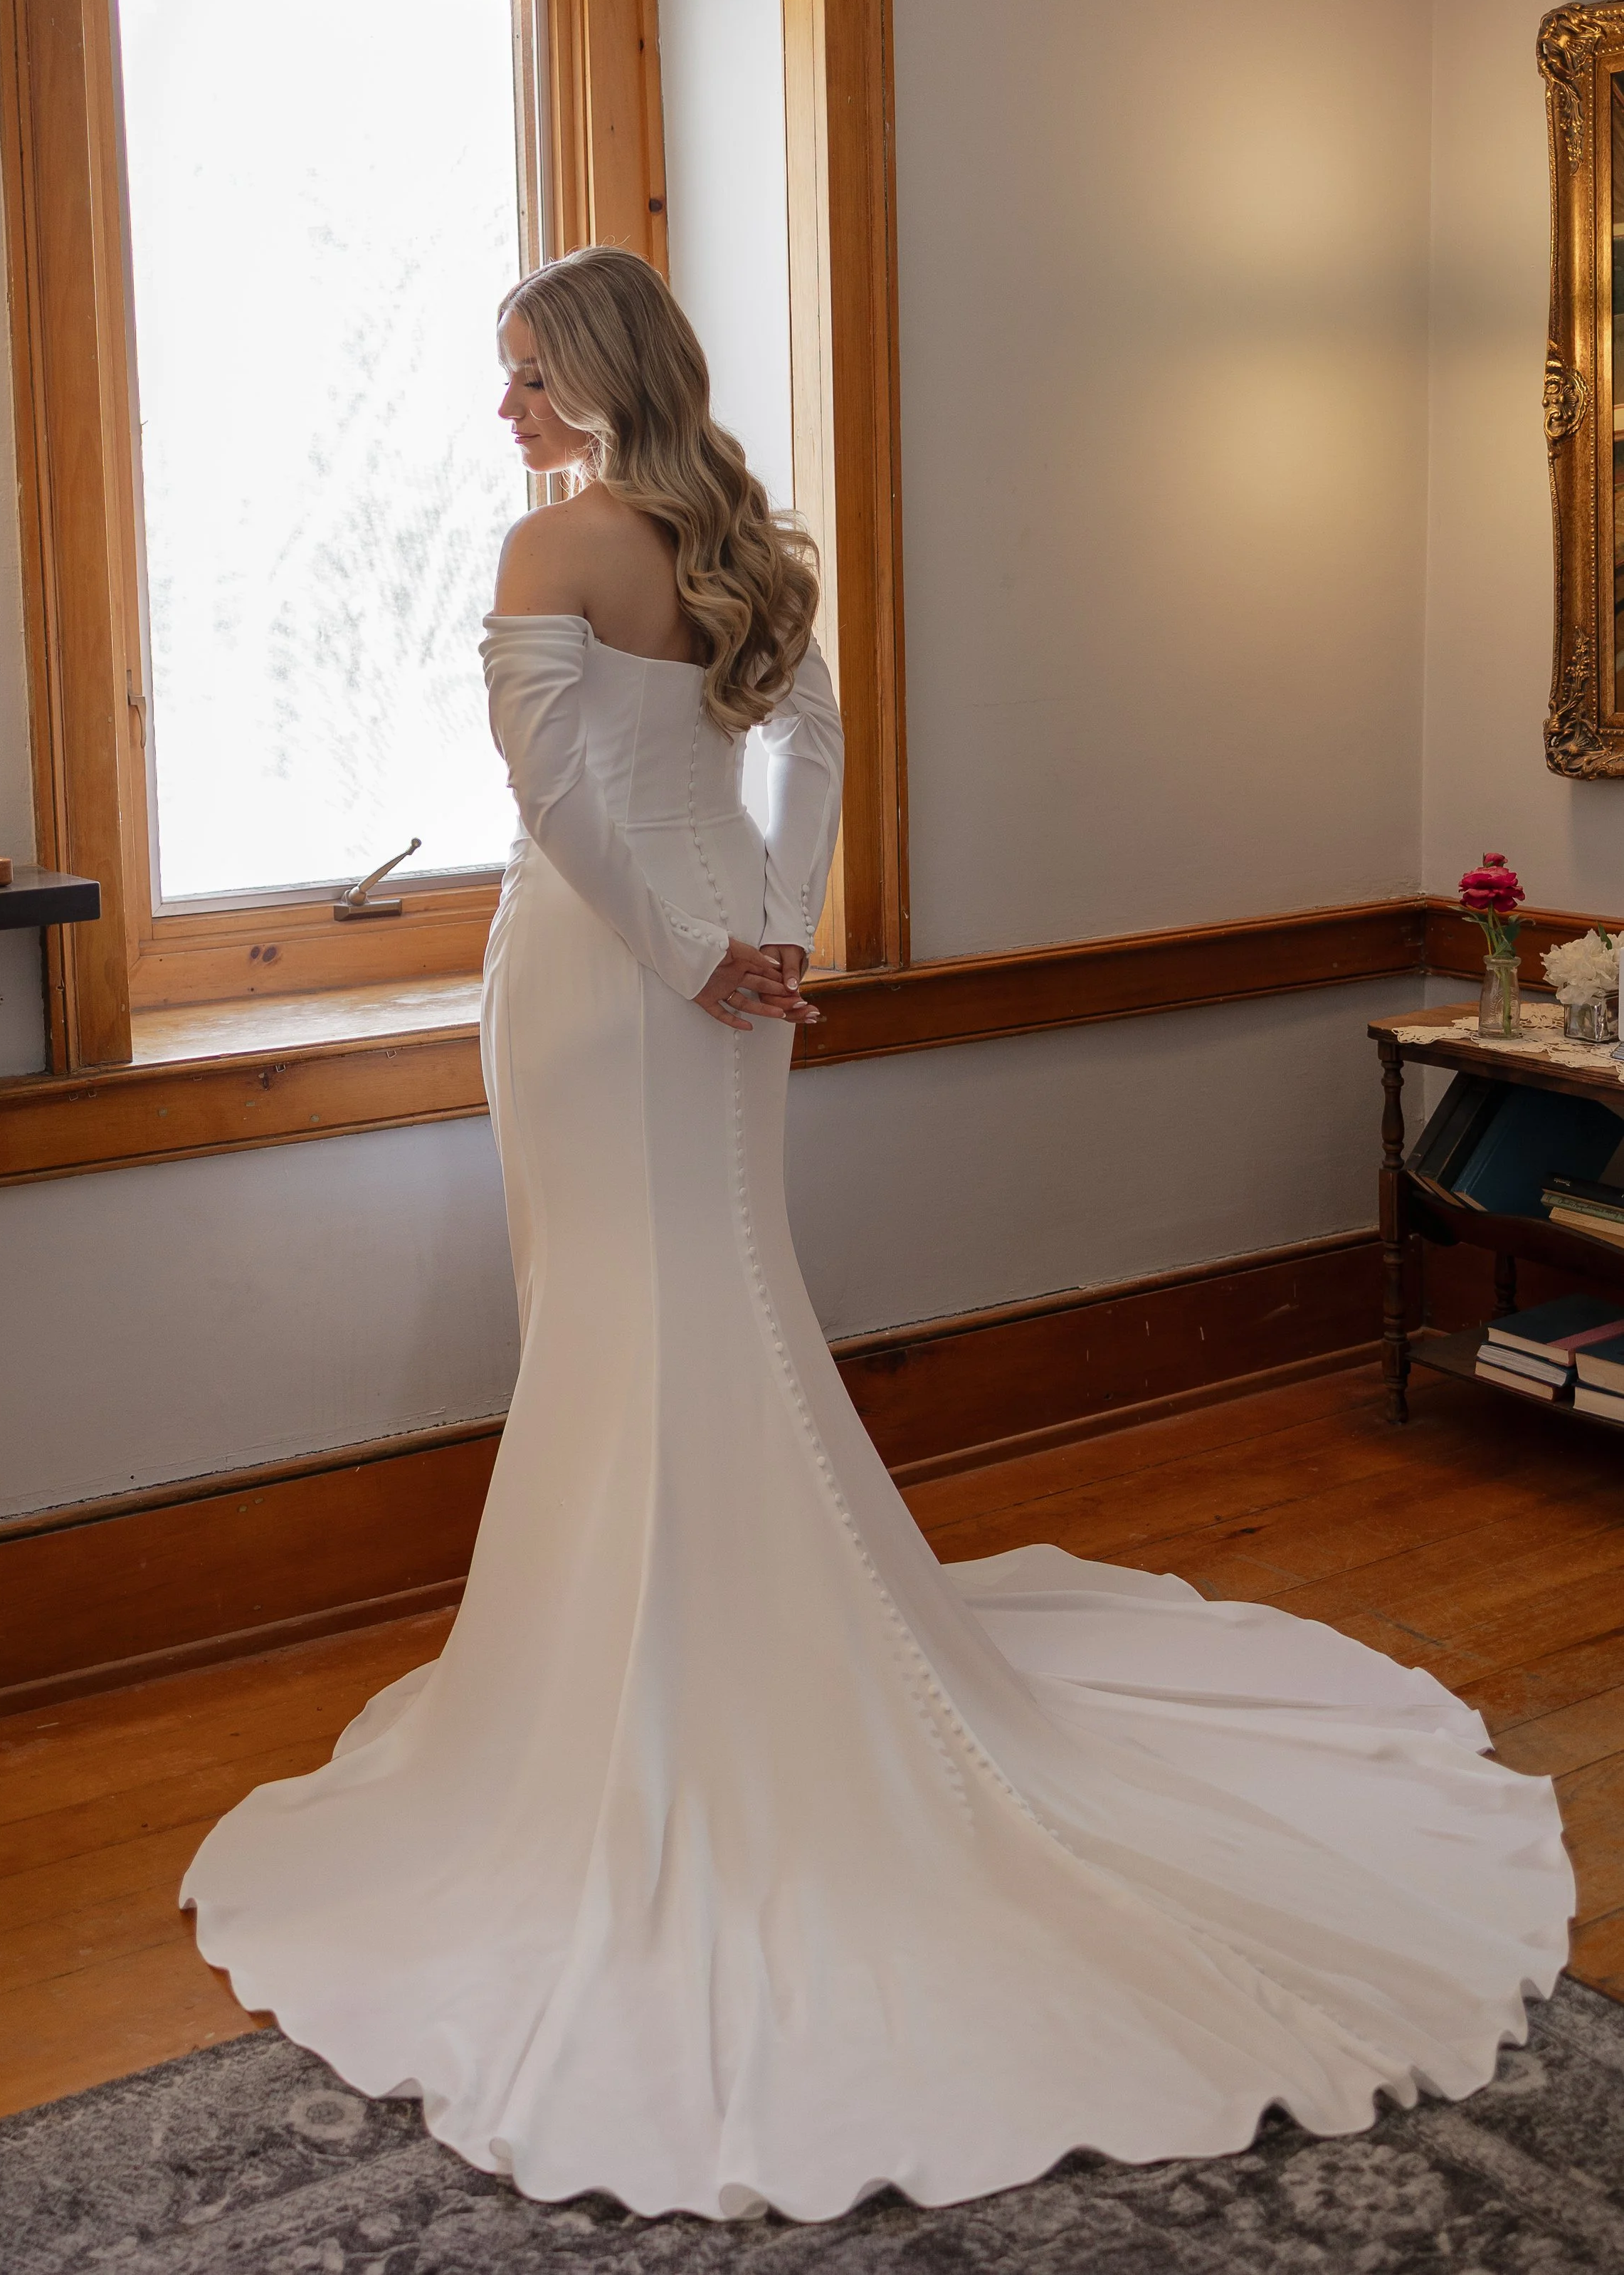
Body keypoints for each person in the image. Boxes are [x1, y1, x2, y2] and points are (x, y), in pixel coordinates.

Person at [181, 248, 1572, 2224]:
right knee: (688, 1300)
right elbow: (804, 757)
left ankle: (663, 1694)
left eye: (519, 374)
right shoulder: (741, 537)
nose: (501, 409)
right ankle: (684, 1647)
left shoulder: (549, 543)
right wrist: (772, 928)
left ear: (590, 378)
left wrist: (692, 955)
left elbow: (553, 794)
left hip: (609, 982)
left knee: (640, 1307)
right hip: (718, 970)